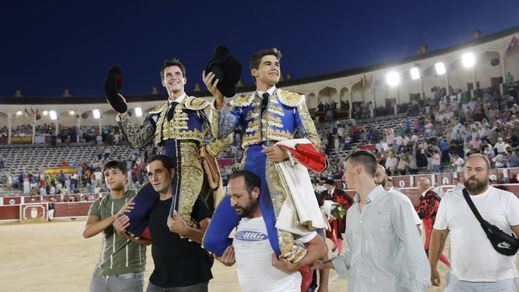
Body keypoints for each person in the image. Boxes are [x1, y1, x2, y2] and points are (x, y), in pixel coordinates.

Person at [203, 48, 325, 263]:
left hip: (278, 174)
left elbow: (313, 142)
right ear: (254, 72)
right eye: (268, 63)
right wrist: (219, 100)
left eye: (277, 64)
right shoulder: (242, 103)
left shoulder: (294, 101)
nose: (275, 67)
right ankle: (255, 255)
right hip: (247, 175)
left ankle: (306, 279)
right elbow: (221, 132)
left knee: (284, 247)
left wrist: (286, 152)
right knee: (212, 241)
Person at [112, 59, 229, 233]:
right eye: (169, 75)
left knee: (179, 220)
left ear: (184, 80)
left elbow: (225, 133)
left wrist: (208, 151)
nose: (173, 78)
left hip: (190, 168)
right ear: (163, 81)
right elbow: (137, 141)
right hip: (162, 171)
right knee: (128, 220)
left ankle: (202, 249)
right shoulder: (157, 112)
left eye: (177, 74)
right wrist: (122, 112)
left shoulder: (199, 106)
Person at [312, 150, 430, 291]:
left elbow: (415, 252)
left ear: (358, 169)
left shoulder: (395, 203)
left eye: (346, 170)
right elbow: (354, 253)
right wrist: (324, 264)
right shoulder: (352, 213)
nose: (343, 176)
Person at [215, 170, 327, 292]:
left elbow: (320, 247)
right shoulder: (241, 221)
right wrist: (228, 260)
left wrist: (296, 266)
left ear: (255, 192)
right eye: (230, 196)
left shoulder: (284, 217)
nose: (232, 203)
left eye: (238, 196)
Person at [114, 155, 213, 292]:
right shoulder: (150, 206)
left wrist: (186, 231)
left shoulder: (191, 199)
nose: (154, 179)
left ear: (171, 173)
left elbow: (211, 238)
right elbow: (150, 241)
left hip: (191, 280)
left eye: (159, 172)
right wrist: (123, 233)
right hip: (159, 280)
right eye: (150, 174)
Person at [429, 154, 519, 291]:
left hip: (501, 282)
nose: (473, 174)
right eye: (468, 169)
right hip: (459, 281)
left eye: (478, 169)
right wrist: (432, 266)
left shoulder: (507, 199)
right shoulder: (449, 200)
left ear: (489, 173)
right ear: (463, 172)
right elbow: (438, 235)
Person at [83, 160, 148, 292]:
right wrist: (116, 216)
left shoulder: (137, 199)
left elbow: (148, 240)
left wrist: (124, 234)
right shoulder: (100, 203)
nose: (109, 177)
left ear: (125, 176)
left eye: (114, 173)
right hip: (101, 272)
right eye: (106, 174)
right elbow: (87, 232)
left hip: (128, 273)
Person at [374, 164, 422, 234]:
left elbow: (416, 226)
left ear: (386, 176)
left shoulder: (401, 199)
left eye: (377, 175)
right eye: (371, 176)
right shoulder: (365, 201)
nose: (374, 179)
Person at [417, 178, 450, 268]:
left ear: (424, 186)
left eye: (419, 185)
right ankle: (450, 265)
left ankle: (426, 270)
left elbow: (428, 212)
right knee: (433, 249)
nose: (417, 187)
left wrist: (415, 216)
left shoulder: (431, 196)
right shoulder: (427, 196)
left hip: (433, 226)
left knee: (429, 248)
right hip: (428, 225)